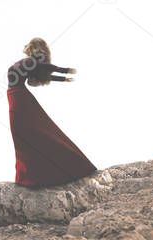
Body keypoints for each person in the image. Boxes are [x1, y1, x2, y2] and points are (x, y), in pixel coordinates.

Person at [7, 37, 96, 187]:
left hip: (19, 97)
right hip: (15, 96)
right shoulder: (29, 62)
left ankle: (46, 172)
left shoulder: (32, 62)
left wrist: (66, 73)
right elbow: (46, 71)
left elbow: (48, 70)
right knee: (23, 133)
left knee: (28, 132)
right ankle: (32, 174)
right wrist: (64, 75)